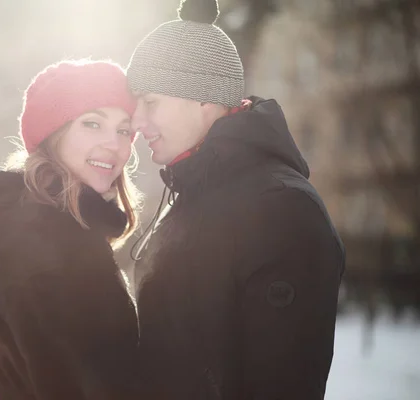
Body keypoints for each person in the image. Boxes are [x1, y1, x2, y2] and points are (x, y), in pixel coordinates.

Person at [126, 0, 346, 399]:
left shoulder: (281, 210)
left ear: (204, 99)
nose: (137, 121)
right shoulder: (189, 197)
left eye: (151, 101)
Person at [0, 60, 141, 400]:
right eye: (93, 124)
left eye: (124, 130)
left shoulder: (50, 225)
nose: (114, 144)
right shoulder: (44, 238)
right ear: (53, 135)